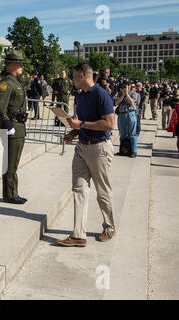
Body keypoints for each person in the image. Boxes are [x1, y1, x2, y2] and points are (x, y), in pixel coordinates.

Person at [57, 63, 115, 247]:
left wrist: (81, 124)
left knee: (102, 191)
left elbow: (109, 124)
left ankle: (109, 227)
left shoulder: (102, 95)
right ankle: (78, 235)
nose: (71, 81)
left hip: (99, 149)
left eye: (73, 77)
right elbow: (80, 123)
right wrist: (73, 132)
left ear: (82, 76)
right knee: (79, 189)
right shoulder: (80, 97)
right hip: (81, 147)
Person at [0, 51, 28, 205]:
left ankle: (12, 192)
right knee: (10, 164)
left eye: (21, 63)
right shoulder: (6, 83)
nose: (21, 66)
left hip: (19, 127)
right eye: (18, 63)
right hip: (12, 127)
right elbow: (0, 108)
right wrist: (8, 126)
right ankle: (10, 195)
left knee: (13, 163)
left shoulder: (17, 81)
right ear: (10, 65)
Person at [116, 81, 139, 158]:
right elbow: (116, 103)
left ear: (129, 86)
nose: (124, 88)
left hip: (130, 113)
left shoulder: (133, 93)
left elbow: (132, 102)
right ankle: (123, 150)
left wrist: (127, 94)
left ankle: (133, 151)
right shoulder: (119, 94)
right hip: (122, 114)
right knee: (122, 134)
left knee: (132, 133)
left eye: (126, 86)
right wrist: (123, 94)